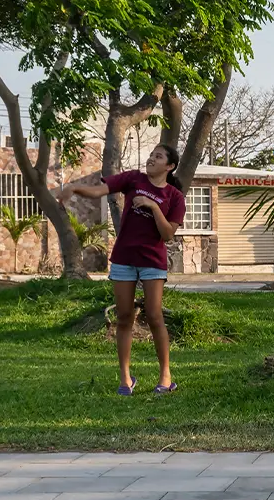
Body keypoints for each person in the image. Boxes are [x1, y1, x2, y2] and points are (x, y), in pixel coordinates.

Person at [56, 143, 186, 395]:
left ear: (169, 166)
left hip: (152, 261)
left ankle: (165, 377)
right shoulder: (133, 179)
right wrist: (74, 188)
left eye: (158, 157)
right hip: (124, 259)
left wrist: (153, 206)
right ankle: (125, 379)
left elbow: (168, 234)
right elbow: (100, 190)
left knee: (154, 315)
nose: (151, 159)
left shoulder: (174, 197)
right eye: (151, 155)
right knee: (124, 317)